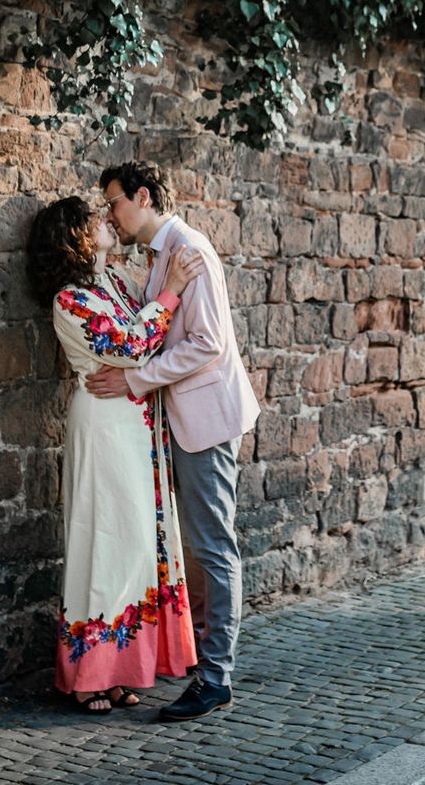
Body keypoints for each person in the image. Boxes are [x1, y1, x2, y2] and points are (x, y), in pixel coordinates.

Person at [85, 161, 259, 722]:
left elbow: (205, 345)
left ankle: (216, 679)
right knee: (197, 549)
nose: (110, 212)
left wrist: (135, 380)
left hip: (205, 419)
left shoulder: (190, 250)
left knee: (213, 547)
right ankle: (205, 667)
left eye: (113, 202)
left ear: (142, 195)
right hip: (181, 420)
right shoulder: (162, 257)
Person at [28, 196, 206, 714]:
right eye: (94, 221)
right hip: (104, 424)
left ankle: (121, 670)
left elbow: (149, 340)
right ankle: (88, 675)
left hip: (137, 423)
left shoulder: (115, 286)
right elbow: (130, 345)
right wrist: (171, 291)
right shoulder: (69, 300)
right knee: (102, 539)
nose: (106, 222)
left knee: (134, 544)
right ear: (74, 239)